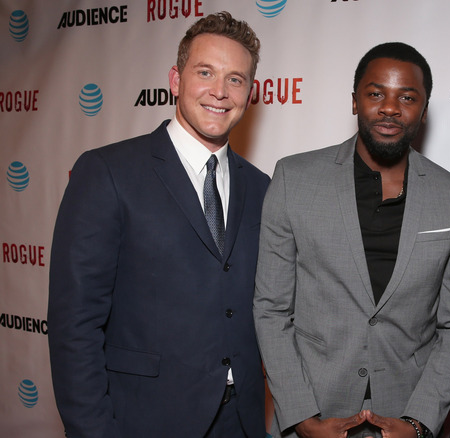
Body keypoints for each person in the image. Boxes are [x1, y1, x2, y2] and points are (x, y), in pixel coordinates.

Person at [48, 11, 269, 438]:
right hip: (145, 420)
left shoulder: (261, 187)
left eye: (236, 79)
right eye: (205, 72)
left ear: (249, 92)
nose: (220, 91)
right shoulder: (108, 172)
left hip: (241, 422)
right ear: (175, 80)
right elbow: (74, 325)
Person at [253, 42, 450, 438]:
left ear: (424, 110)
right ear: (355, 101)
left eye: (407, 97)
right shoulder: (293, 179)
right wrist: (301, 417)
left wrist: (420, 422)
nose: (390, 108)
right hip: (314, 408)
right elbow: (271, 308)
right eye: (376, 94)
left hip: (406, 410)